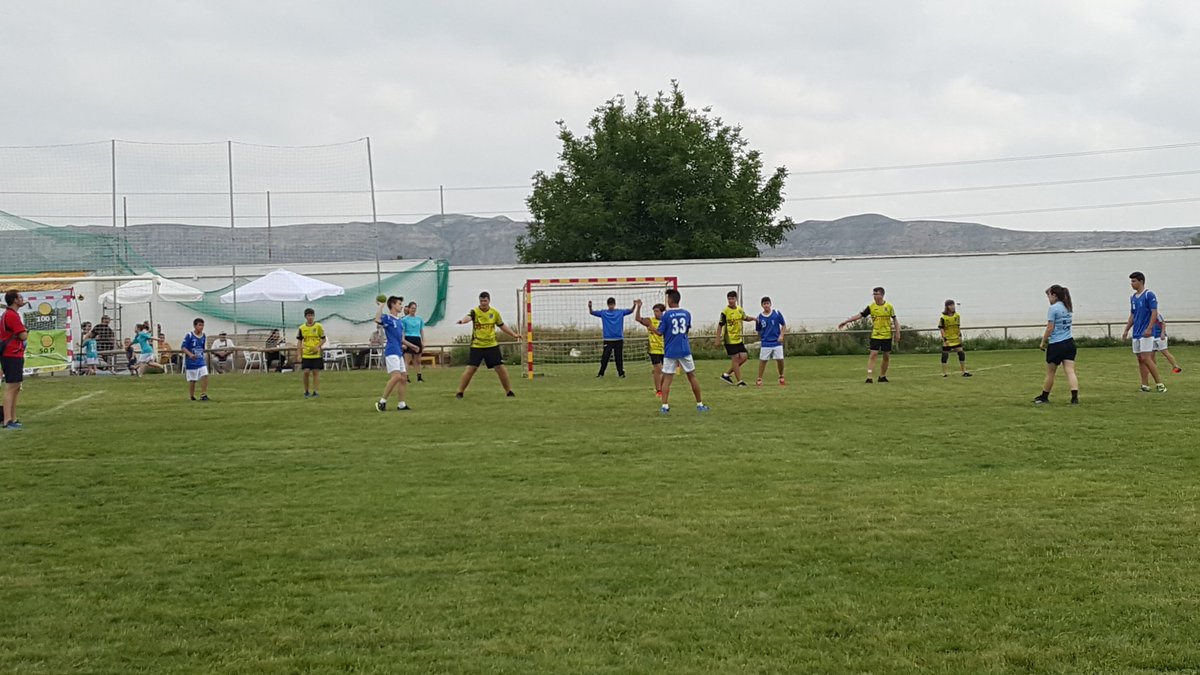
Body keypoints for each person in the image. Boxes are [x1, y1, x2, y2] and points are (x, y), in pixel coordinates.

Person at [455, 291, 522, 398]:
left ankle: (509, 391)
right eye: (481, 301)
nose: (483, 303)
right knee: (471, 369)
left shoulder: (494, 313)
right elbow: (468, 317)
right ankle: (460, 392)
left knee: (500, 368)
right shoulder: (475, 312)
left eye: (485, 301)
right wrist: (462, 321)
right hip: (477, 346)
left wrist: (514, 334)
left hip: (492, 345)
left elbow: (501, 325)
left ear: (489, 301)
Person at [653, 288, 708, 414]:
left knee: (667, 378)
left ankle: (665, 406)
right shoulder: (687, 313)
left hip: (670, 350)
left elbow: (659, 332)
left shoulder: (666, 315)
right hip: (684, 349)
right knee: (692, 376)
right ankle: (699, 404)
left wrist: (649, 326)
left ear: (670, 300)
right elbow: (686, 330)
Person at [838, 286, 900, 383]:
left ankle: (882, 376)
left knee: (886, 356)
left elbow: (895, 320)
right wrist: (846, 321)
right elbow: (860, 315)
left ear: (882, 295)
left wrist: (897, 332)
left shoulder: (889, 307)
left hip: (887, 335)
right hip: (876, 335)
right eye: (873, 294)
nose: (874, 296)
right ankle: (869, 376)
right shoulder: (871, 307)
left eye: (876, 294)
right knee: (873, 354)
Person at [1034, 285, 1079, 405]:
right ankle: (1074, 397)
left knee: (1050, 372)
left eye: (1048, 295)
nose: (1048, 298)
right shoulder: (1068, 306)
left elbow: (1050, 328)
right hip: (1069, 343)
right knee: (1070, 371)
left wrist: (1043, 341)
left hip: (1056, 344)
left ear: (1054, 295)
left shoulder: (1053, 309)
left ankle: (1044, 396)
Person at [1121, 271, 1166, 393]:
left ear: (1141, 281)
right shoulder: (1133, 298)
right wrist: (1126, 330)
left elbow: (1154, 312)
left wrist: (1149, 328)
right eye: (1131, 281)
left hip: (1146, 333)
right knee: (1140, 359)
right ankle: (1145, 385)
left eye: (1134, 281)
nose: (1132, 284)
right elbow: (1133, 315)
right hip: (1136, 332)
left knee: (1146, 358)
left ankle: (1159, 383)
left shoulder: (1149, 295)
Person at [375, 296, 417, 412]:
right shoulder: (388, 318)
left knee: (403, 378)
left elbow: (401, 338)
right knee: (397, 376)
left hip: (398, 352)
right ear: (393, 305)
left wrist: (412, 346)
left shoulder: (399, 321)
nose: (401, 306)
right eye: (399, 303)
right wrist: (380, 306)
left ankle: (401, 404)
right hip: (391, 351)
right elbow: (377, 319)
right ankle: (382, 402)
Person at [1, 290, 29, 429]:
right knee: (12, 386)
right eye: (20, 297)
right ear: (14, 300)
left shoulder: (11, 314)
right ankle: (7, 420)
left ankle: (13, 417)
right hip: (11, 353)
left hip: (15, 353)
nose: (22, 299)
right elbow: (23, 336)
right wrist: (25, 332)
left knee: (16, 386)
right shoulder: (11, 315)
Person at [716, 290, 755, 387]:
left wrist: (754, 319)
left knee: (744, 357)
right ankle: (739, 381)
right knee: (735, 359)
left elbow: (745, 317)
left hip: (737, 339)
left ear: (736, 299)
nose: (731, 301)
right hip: (729, 339)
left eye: (732, 299)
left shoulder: (739, 309)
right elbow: (720, 325)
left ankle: (726, 374)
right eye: (729, 299)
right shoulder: (725, 311)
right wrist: (717, 338)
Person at [589, 297, 634, 378]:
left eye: (612, 304)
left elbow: (630, 311)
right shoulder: (603, 313)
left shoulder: (620, 312)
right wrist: (590, 307)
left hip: (618, 339)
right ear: (608, 305)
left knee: (619, 357)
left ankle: (621, 373)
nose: (611, 306)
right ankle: (601, 373)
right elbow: (592, 312)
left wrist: (634, 305)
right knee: (605, 357)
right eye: (610, 305)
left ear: (614, 304)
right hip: (608, 339)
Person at [633, 299, 666, 397]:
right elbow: (638, 318)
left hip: (665, 349)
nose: (655, 313)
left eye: (657, 311)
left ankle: (663, 387)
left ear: (662, 312)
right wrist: (639, 307)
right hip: (654, 349)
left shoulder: (666, 321)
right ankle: (658, 390)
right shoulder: (650, 321)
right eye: (654, 311)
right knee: (658, 369)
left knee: (666, 371)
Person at [754, 296, 787, 386]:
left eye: (767, 303)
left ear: (770, 304)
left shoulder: (776, 313)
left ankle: (781, 376)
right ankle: (759, 379)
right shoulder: (759, 317)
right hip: (766, 343)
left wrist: (781, 335)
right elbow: (758, 330)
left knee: (780, 359)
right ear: (762, 305)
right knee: (763, 360)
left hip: (776, 342)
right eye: (764, 304)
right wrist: (762, 338)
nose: (766, 305)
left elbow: (783, 326)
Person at [296, 308, 327, 398]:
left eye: (312, 315)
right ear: (305, 317)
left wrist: (317, 346)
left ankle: (315, 391)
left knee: (315, 372)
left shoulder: (318, 326)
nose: (310, 317)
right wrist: (299, 354)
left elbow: (324, 339)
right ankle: (306, 391)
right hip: (306, 354)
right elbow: (299, 341)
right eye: (308, 316)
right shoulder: (302, 328)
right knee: (306, 372)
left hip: (316, 354)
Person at [939, 299, 972, 378]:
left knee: (961, 353)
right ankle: (944, 372)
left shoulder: (957, 316)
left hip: (955, 338)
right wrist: (945, 339)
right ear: (947, 307)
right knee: (945, 355)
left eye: (953, 305)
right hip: (948, 339)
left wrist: (960, 336)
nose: (953, 307)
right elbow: (941, 329)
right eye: (951, 305)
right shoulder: (943, 317)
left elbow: (958, 327)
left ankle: (964, 371)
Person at [181, 318, 211, 402]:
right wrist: (190, 355)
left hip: (200, 360)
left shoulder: (203, 336)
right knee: (193, 380)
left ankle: (203, 394)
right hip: (191, 361)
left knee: (205, 374)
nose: (201, 327)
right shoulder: (190, 335)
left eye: (202, 325)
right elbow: (183, 347)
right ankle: (191, 396)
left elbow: (202, 347)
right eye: (199, 325)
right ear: (195, 326)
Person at [401, 301, 427, 383]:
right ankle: (406, 377)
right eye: (412, 308)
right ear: (408, 309)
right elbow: (403, 331)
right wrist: (403, 342)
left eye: (415, 308)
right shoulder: (404, 319)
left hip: (417, 338)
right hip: (408, 338)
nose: (413, 310)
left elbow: (421, 330)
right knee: (407, 360)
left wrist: (423, 341)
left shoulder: (419, 319)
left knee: (418, 360)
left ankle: (419, 376)